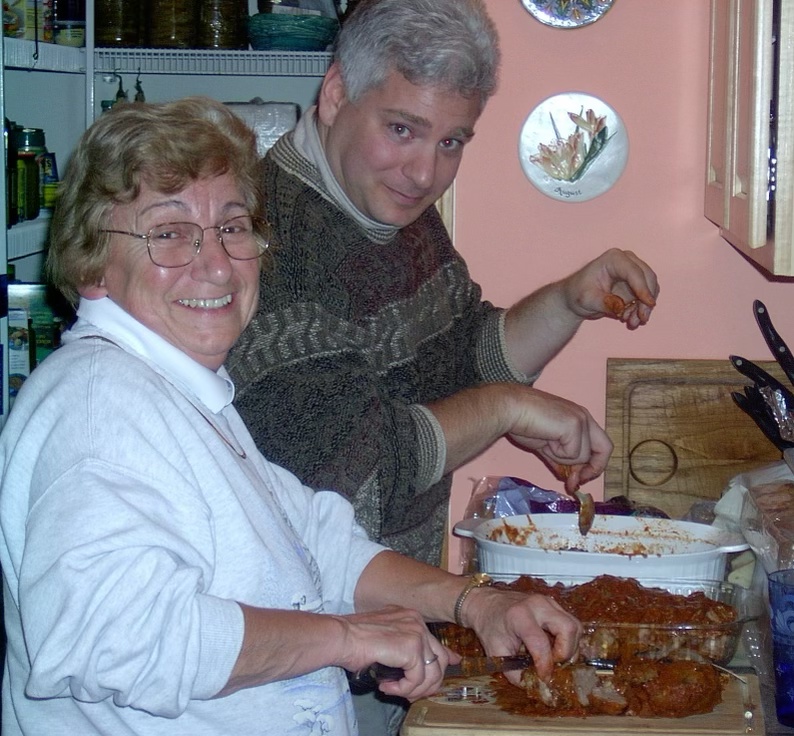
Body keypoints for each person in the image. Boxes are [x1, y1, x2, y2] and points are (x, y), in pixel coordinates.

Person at [0, 96, 582, 735]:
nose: (216, 264)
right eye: (168, 234)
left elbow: (319, 542)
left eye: (232, 226)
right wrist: (346, 639)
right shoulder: (97, 410)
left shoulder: (180, 392)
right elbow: (119, 640)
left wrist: (475, 603)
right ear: (92, 266)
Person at [228, 0, 659, 566]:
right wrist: (506, 409)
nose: (425, 173)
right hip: (306, 608)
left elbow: (462, 360)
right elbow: (358, 478)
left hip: (393, 603)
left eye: (451, 141)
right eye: (401, 129)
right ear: (335, 95)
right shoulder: (266, 245)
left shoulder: (383, 204)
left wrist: (567, 302)